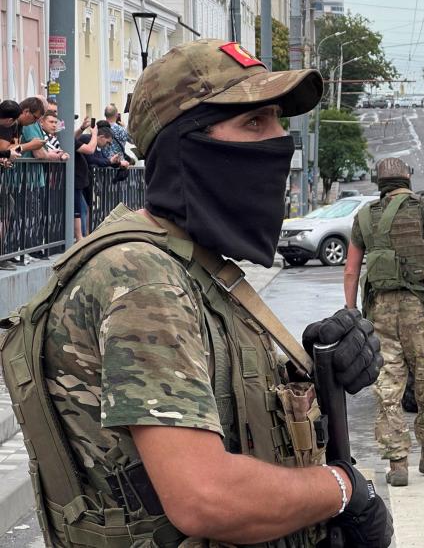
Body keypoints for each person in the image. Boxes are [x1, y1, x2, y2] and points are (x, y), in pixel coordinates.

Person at [4, 39, 392, 547]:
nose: (280, 142)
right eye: (254, 123)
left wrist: (315, 370)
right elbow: (206, 496)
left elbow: (224, 406)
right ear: (189, 146)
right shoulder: (142, 279)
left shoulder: (189, 263)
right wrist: (343, 490)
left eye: (277, 119)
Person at [344, 157, 424, 487]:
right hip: (419, 310)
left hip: (379, 310)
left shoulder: (363, 217)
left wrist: (352, 312)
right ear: (407, 179)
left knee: (388, 387)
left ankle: (397, 463)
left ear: (379, 183)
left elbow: (351, 271)